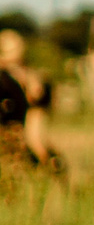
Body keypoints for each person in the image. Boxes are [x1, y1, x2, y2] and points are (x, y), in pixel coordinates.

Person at [0, 29, 55, 167]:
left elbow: (36, 94)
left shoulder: (26, 73)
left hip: (28, 116)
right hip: (14, 123)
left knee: (36, 143)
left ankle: (49, 169)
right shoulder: (8, 74)